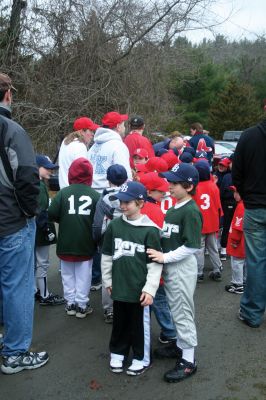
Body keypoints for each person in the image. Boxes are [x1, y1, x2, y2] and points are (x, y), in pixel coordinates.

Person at [0, 72, 49, 374]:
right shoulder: (11, 129)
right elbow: (28, 179)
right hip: (11, 221)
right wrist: (30, 212)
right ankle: (15, 353)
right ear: (7, 95)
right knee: (17, 286)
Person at [147, 163, 202, 383]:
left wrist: (165, 257)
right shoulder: (175, 206)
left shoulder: (190, 210)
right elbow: (170, 235)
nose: (169, 186)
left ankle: (189, 361)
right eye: (169, 182)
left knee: (182, 312)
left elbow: (192, 245)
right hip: (172, 266)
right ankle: (180, 347)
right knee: (175, 307)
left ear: (189, 186)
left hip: (181, 267)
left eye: (174, 183)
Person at [101, 181, 162, 376]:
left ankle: (140, 357)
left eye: (128, 202)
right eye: (121, 201)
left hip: (139, 289)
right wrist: (108, 281)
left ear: (141, 202)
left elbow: (155, 264)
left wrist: (150, 289)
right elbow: (107, 255)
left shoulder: (150, 230)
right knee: (120, 322)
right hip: (119, 287)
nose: (122, 206)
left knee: (139, 326)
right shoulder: (115, 226)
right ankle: (118, 352)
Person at [48, 158, 100, 318]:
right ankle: (82, 305)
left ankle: (70, 303)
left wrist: (64, 220)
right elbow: (98, 221)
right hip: (85, 242)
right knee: (84, 275)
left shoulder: (63, 192)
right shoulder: (95, 194)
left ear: (71, 174)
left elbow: (52, 213)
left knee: (67, 274)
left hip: (66, 241)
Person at [232, 118, 266, 328]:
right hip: (255, 205)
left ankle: (252, 313)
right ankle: (251, 312)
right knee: (256, 262)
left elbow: (237, 174)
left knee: (256, 262)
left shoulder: (249, 136)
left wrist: (248, 196)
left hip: (255, 207)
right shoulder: (250, 135)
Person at [92, 164, 128, 323]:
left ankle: (110, 310)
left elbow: (98, 225)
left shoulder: (104, 198)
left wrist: (96, 240)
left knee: (108, 275)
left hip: (109, 241)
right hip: (129, 238)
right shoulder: (131, 195)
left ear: (108, 180)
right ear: (126, 179)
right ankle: (126, 305)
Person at [35, 155, 65, 305]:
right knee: (43, 263)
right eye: (47, 168)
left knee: (35, 262)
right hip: (40, 230)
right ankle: (44, 295)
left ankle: (35, 290)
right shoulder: (39, 186)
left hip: (33, 229)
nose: (51, 172)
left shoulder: (34, 183)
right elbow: (39, 212)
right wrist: (47, 229)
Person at [88, 111, 132, 193]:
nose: (124, 128)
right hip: (109, 194)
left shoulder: (93, 146)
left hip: (91, 193)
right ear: (118, 126)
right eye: (123, 125)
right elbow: (125, 176)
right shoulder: (118, 146)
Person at [193, 160, 223, 282]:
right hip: (212, 222)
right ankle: (217, 269)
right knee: (213, 247)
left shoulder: (194, 188)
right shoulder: (213, 186)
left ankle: (199, 273)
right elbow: (218, 207)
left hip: (199, 223)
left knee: (199, 249)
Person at [58, 116, 99, 189]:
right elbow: (82, 173)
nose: (93, 134)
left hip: (64, 190)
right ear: (82, 132)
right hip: (74, 191)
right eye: (90, 131)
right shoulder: (80, 146)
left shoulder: (65, 142)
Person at [225, 188, 245, 295]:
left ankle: (238, 285)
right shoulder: (246, 204)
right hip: (245, 240)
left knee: (237, 262)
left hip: (239, 241)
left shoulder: (241, 206)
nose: (234, 194)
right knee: (243, 262)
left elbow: (238, 226)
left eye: (236, 192)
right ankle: (243, 282)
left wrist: (234, 240)